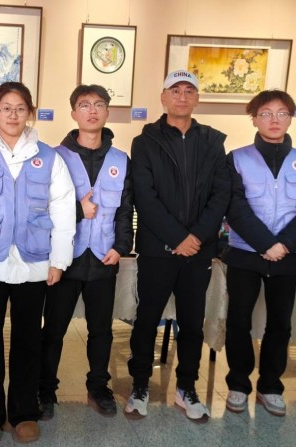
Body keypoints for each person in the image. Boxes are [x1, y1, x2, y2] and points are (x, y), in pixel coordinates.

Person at [0, 82, 75, 444]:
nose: (12, 115)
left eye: (20, 108)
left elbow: (63, 208)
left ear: (30, 113)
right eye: (6, 107)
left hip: (34, 263)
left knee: (28, 340)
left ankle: (24, 412)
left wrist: (59, 260)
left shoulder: (49, 157)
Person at [124, 70, 230, 423]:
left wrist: (195, 237)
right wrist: (177, 237)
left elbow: (221, 194)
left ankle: (187, 387)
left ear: (197, 98)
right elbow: (145, 197)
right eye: (175, 90)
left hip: (198, 250)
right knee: (146, 320)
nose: (182, 96)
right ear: (163, 97)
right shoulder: (146, 141)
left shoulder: (212, 141)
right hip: (158, 249)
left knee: (192, 323)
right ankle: (140, 385)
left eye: (189, 91)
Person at [222, 90, 296, 417]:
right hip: (245, 254)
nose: (274, 120)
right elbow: (234, 207)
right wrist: (265, 243)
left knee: (280, 324)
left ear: (291, 117)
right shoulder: (236, 159)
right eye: (266, 113)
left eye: (282, 113)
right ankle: (238, 384)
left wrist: (284, 245)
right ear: (254, 118)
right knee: (238, 322)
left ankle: (270, 386)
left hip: (287, 256)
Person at [39, 85, 133, 419]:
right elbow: (42, 206)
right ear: (73, 113)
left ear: (107, 112)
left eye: (99, 104)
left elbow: (126, 209)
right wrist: (78, 210)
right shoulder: (55, 157)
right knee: (54, 330)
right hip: (65, 258)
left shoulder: (121, 160)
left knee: (102, 331)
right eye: (84, 105)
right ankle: (45, 389)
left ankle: (98, 387)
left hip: (104, 257)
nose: (92, 111)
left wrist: (122, 247)